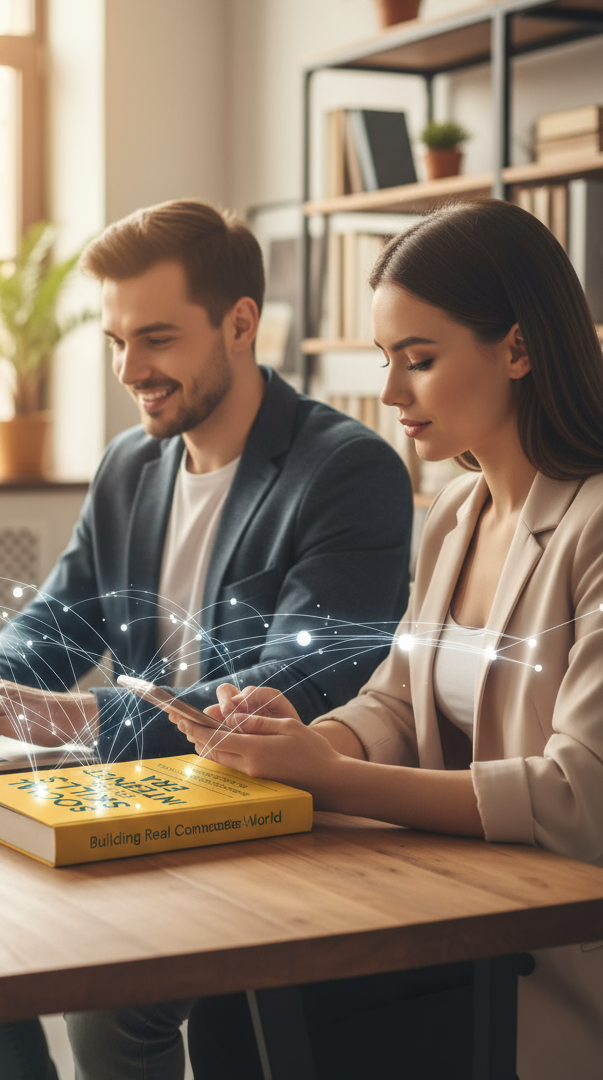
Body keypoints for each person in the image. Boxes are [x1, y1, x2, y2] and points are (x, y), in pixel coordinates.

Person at [0, 199, 414, 1080]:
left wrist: (72, 719)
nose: (131, 368)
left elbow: (300, 680)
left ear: (240, 325)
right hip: (140, 799)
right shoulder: (130, 463)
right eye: (117, 342)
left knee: (111, 1007)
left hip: (270, 817)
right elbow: (55, 625)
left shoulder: (347, 471)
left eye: (158, 338)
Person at [175, 197, 603, 1080]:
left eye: (420, 359)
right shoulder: (458, 508)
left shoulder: (595, 528)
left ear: (517, 349)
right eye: (384, 360)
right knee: (230, 993)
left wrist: (332, 776)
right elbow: (400, 699)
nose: (390, 393)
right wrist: (295, 739)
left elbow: (577, 796)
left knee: (282, 1015)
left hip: (554, 949)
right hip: (456, 905)